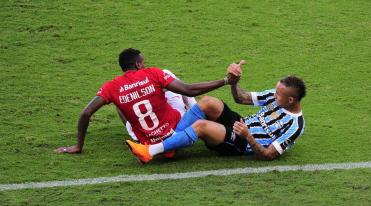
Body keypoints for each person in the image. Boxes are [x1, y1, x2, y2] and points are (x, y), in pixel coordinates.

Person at [55, 48, 239, 154]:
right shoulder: (152, 74)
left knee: (120, 103)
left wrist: (79, 145)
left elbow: (86, 113)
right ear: (137, 64)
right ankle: (193, 112)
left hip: (144, 139)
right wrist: (224, 81)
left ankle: (147, 141)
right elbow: (188, 89)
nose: (145, 65)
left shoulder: (112, 86)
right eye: (143, 62)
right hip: (175, 131)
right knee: (173, 80)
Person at [126, 61, 306, 163]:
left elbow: (267, 155)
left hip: (243, 143)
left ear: (291, 100)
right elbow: (241, 98)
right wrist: (234, 81)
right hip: (240, 124)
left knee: (201, 126)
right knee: (208, 102)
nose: (274, 95)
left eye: (278, 94)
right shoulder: (276, 97)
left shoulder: (295, 126)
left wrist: (248, 136)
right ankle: (170, 144)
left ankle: (150, 151)